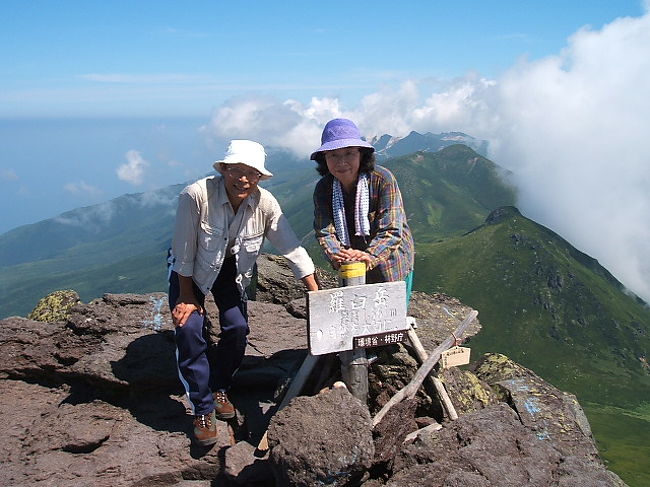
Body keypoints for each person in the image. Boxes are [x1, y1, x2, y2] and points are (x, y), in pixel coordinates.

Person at [169, 139, 319, 446]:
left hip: (230, 269)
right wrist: (187, 297)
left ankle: (219, 385)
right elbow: (183, 253)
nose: (244, 179)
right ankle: (202, 406)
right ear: (223, 169)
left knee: (237, 328)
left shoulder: (264, 203)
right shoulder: (196, 196)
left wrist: (315, 292)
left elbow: (290, 246)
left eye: (252, 173)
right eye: (236, 170)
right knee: (189, 330)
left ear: (260, 177)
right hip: (190, 270)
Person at [311, 118, 414, 298]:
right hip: (350, 267)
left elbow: (391, 229)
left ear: (361, 154)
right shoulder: (324, 188)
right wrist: (337, 255)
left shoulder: (382, 180)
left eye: (349, 153)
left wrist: (369, 256)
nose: (341, 161)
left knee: (391, 318)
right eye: (333, 155)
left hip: (391, 266)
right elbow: (324, 231)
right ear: (324, 158)